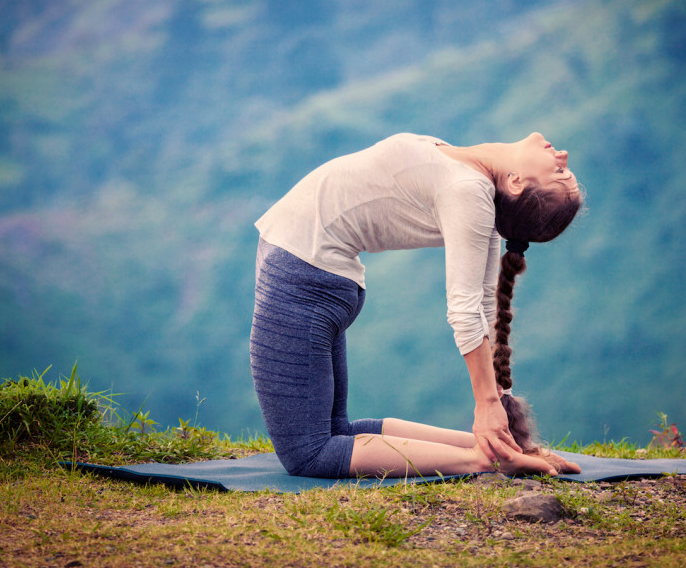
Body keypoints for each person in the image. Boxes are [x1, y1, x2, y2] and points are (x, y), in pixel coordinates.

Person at [249, 132, 583, 479]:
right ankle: (497, 451)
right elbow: (485, 305)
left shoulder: (468, 190)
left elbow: (470, 311)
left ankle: (484, 460)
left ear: (516, 182)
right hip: (315, 275)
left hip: (305, 279)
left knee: (309, 453)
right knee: (336, 432)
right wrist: (505, 420)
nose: (563, 155)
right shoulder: (474, 183)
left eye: (560, 174)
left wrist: (489, 403)